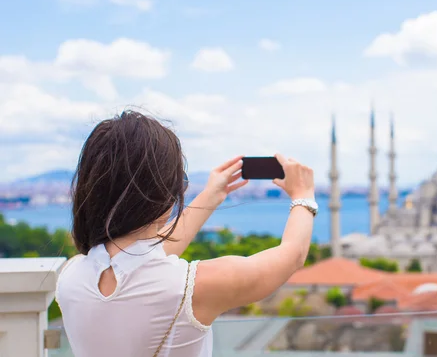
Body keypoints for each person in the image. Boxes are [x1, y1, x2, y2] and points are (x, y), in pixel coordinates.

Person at [56, 110, 317, 357]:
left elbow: (142, 257)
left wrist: (211, 196)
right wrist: (303, 195)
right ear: (162, 192)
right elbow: (292, 255)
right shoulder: (196, 287)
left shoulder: (70, 277)